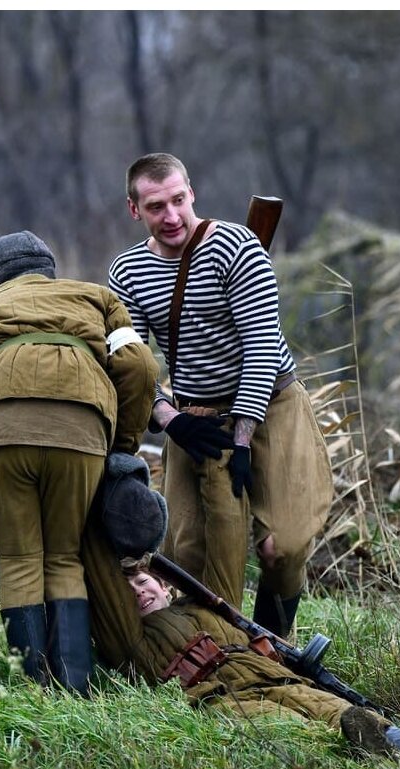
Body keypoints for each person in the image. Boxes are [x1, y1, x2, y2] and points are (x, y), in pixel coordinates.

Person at [107, 152, 333, 638]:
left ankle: (277, 648)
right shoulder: (126, 273)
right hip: (196, 418)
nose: (170, 216)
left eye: (177, 201)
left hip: (271, 403)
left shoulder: (237, 246)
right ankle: (215, 654)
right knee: (187, 557)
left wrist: (245, 439)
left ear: (192, 193)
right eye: (154, 207)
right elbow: (132, 367)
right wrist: (170, 419)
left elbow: (261, 345)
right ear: (134, 210)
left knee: (283, 547)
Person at [0, 231, 158, 694]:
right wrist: (122, 445)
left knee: (20, 560)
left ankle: (29, 689)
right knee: (63, 558)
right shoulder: (98, 298)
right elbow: (139, 366)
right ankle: (74, 689)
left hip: (2, 436)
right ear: (49, 270)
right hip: (79, 435)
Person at [79, 478, 400, 756]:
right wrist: (96, 485)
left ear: (166, 587)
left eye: (142, 581)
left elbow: (225, 531)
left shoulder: (208, 604)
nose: (137, 591)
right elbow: (100, 575)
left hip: (279, 679)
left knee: (331, 706)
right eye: (127, 591)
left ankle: (394, 739)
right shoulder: (128, 637)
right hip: (221, 698)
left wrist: (220, 467)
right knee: (281, 725)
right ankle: (338, 746)